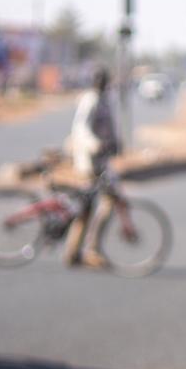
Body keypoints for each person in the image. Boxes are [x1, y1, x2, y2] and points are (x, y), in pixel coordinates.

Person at [65, 66, 121, 268]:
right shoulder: (90, 100)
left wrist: (115, 142)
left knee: (107, 202)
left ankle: (82, 250)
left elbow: (111, 127)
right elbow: (81, 128)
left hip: (102, 161)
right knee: (88, 207)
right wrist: (95, 144)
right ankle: (87, 250)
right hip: (88, 161)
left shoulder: (105, 100)